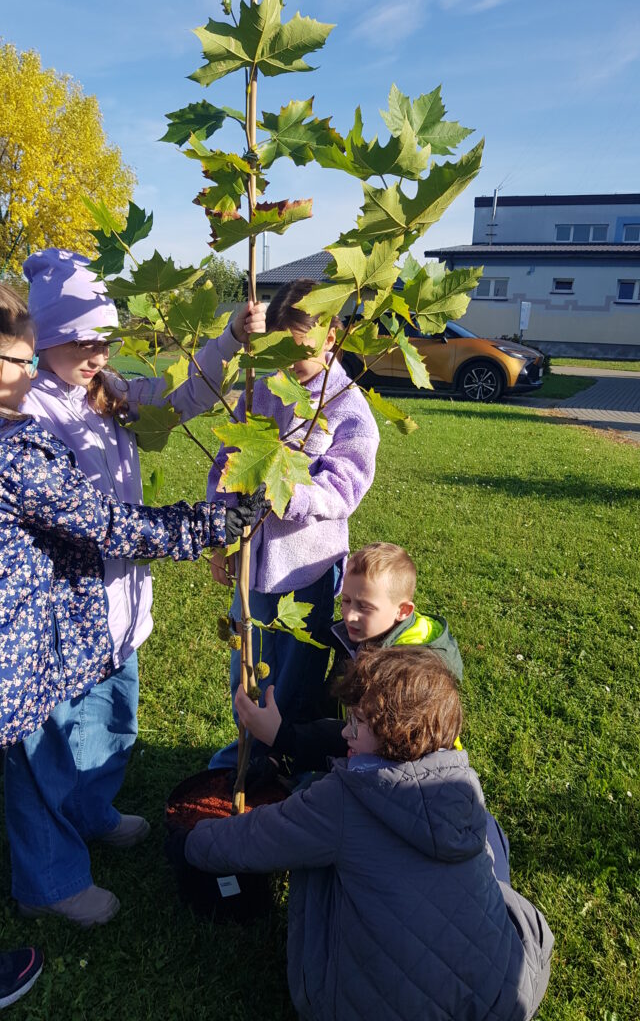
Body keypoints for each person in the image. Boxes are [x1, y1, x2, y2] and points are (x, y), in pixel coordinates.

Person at [0, 263, 260, 1021]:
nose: (93, 354)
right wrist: (219, 522)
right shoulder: (10, 444)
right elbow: (114, 526)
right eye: (23, 357)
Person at [4, 248, 266, 926]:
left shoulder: (108, 390)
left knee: (111, 716)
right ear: (43, 338)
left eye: (102, 340)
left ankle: (92, 811)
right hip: (59, 612)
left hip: (118, 607)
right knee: (48, 746)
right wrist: (195, 527)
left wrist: (231, 339)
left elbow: (181, 401)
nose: (94, 353)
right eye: (77, 341)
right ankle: (49, 877)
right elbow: (92, 525)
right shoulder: (26, 413)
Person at [181, 646, 554, 1021]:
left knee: (314, 851)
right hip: (504, 997)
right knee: (488, 831)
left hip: (374, 1009)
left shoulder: (343, 799)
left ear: (396, 735)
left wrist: (190, 839)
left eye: (356, 723)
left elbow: (257, 838)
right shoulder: (463, 785)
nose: (345, 730)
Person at [207, 277, 380, 769]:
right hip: (252, 566)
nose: (287, 362)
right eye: (278, 349)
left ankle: (287, 763)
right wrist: (225, 538)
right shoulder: (260, 390)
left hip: (306, 571)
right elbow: (227, 465)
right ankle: (247, 752)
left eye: (299, 350)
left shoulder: (348, 410)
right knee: (249, 668)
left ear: (331, 338)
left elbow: (343, 490)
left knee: (295, 682)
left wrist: (286, 491)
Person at [236, 542, 463, 772]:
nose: (350, 615)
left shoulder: (407, 676)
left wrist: (281, 737)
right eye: (345, 601)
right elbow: (330, 706)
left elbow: (363, 736)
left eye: (364, 606)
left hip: (402, 779)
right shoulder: (364, 636)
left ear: (403, 611)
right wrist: (281, 756)